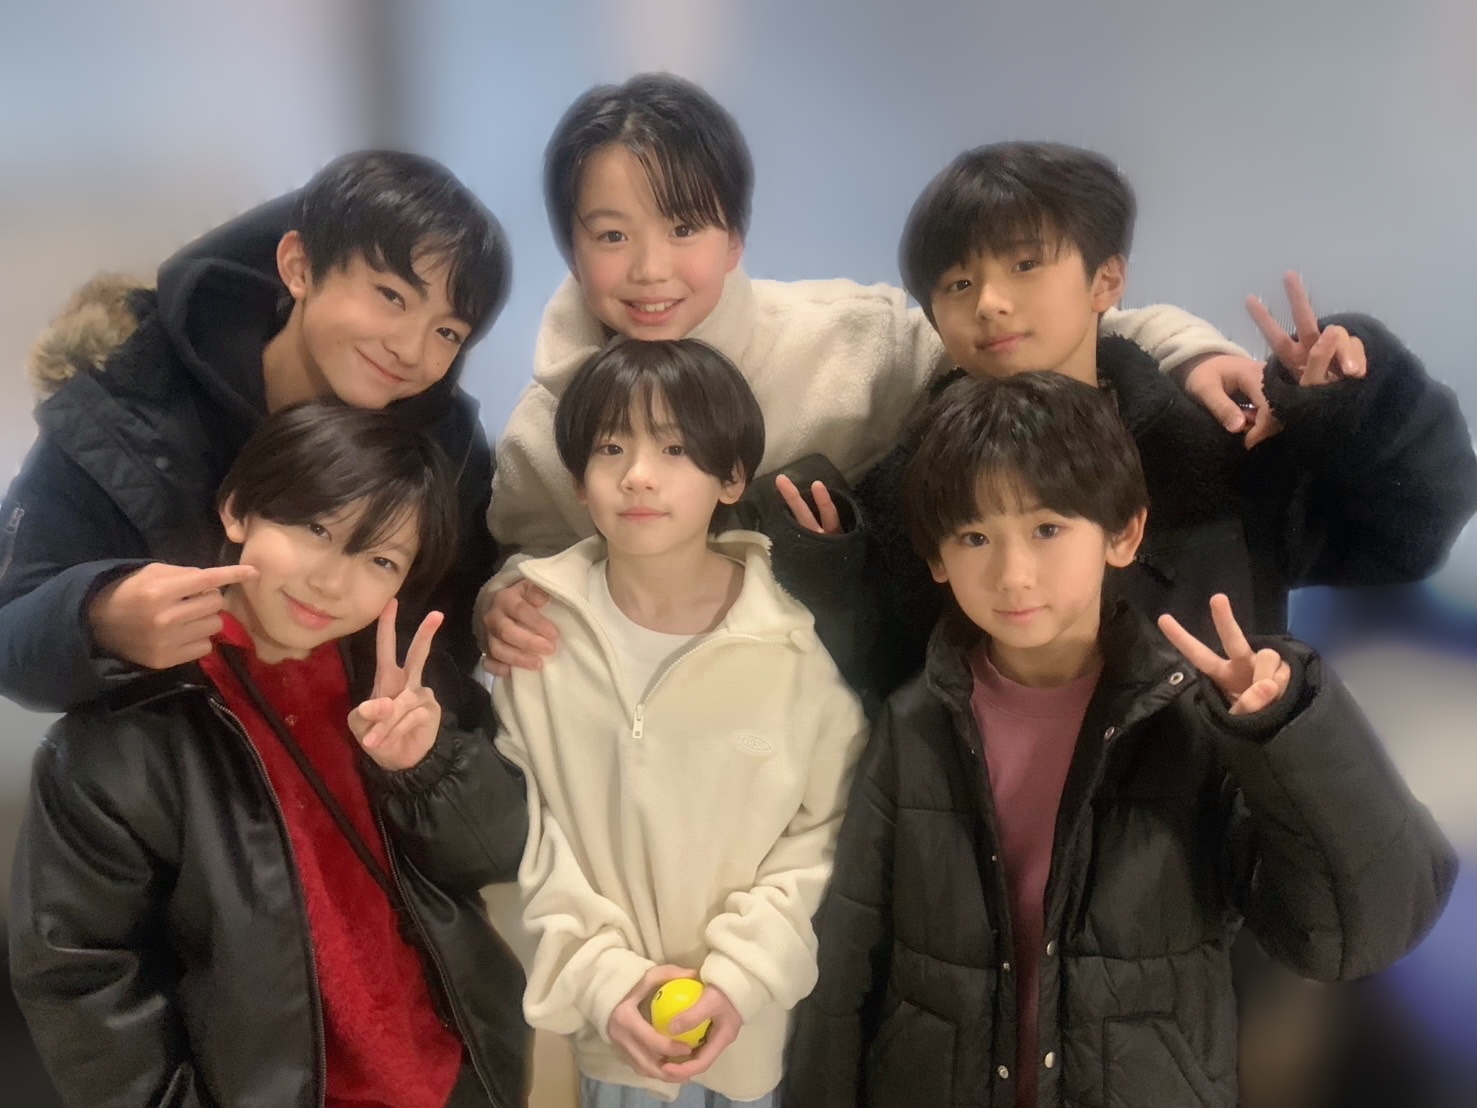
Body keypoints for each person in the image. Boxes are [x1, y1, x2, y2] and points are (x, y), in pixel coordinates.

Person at [781, 371, 1457, 1108]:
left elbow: (1354, 934)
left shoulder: (1194, 724)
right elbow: (846, 965)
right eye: (974, 536)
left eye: (1047, 528)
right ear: (937, 558)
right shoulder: (912, 724)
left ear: (1123, 534)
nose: (1012, 574)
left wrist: (1288, 732)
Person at [477, 72, 1259, 675]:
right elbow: (522, 555)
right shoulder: (544, 424)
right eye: (611, 236)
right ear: (571, 247)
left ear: (735, 237)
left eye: (683, 228)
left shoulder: (847, 338)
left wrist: (1189, 350)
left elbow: (1022, 332)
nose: (650, 269)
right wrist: (501, 600)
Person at [814, 141, 1477, 700]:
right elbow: (880, 695)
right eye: (958, 284)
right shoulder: (913, 483)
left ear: (1105, 281)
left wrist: (1360, 403)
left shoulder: (1217, 448)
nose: (989, 302)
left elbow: (1409, 537)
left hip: (1216, 798)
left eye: (1024, 264)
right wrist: (830, 574)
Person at [9, 401, 531, 1108]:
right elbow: (81, 978)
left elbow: (501, 855)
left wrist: (424, 770)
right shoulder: (129, 728)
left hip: (455, 1079)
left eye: (380, 559)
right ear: (238, 511)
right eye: (316, 528)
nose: (331, 581)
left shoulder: (408, 684)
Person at [494, 338, 868, 1107]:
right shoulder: (535, 639)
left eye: (674, 448)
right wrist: (605, 979)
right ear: (578, 480)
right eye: (610, 448)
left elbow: (830, 831)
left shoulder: (793, 645)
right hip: (609, 1033)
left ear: (731, 477)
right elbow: (528, 834)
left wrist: (741, 972)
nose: (638, 474)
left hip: (752, 1031)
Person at [0, 149, 510, 712]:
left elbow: (447, 642)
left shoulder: (448, 458)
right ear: (299, 266)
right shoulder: (129, 405)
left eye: (447, 332)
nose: (410, 349)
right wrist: (99, 618)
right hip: (163, 757)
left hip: (340, 759)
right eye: (391, 297)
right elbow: (10, 629)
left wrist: (499, 616)